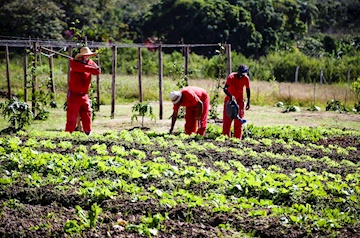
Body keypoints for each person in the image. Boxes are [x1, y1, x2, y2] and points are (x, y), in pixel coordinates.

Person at [65, 47, 101, 135]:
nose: (87, 57)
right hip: (74, 95)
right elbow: (83, 68)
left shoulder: (90, 63)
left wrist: (92, 67)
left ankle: (88, 133)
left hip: (84, 95)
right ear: (81, 56)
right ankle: (67, 135)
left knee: (87, 114)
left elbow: (97, 71)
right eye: (85, 55)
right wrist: (90, 67)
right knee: (72, 117)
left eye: (88, 55)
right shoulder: (74, 63)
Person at [222, 64, 251, 139]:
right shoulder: (231, 77)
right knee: (227, 121)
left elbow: (248, 89)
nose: (242, 76)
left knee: (239, 121)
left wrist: (248, 102)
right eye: (241, 74)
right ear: (238, 71)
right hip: (229, 100)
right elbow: (225, 89)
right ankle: (225, 138)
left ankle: (237, 139)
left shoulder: (246, 78)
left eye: (243, 74)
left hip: (239, 101)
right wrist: (231, 96)